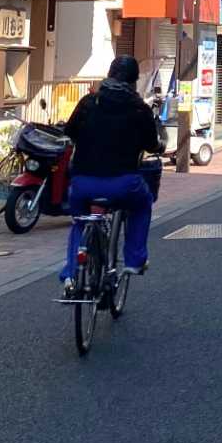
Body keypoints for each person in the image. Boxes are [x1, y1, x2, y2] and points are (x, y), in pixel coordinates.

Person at [59, 55, 163, 284]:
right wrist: (159, 146)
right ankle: (135, 260)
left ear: (109, 75)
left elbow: (70, 131)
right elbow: (151, 144)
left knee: (80, 220)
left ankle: (71, 275)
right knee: (142, 204)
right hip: (123, 183)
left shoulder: (88, 102)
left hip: (82, 183)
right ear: (134, 81)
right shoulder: (139, 109)